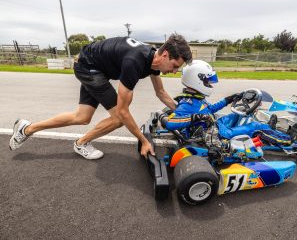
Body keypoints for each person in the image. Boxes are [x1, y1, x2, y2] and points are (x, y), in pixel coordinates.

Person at [9, 34, 192, 159]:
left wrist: (184, 112)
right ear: (166, 54)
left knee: (81, 117)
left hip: (93, 65)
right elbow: (122, 112)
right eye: (175, 65)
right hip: (89, 67)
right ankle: (81, 143)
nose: (175, 71)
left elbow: (160, 92)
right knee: (119, 118)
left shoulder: (153, 59)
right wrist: (143, 141)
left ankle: (27, 128)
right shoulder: (134, 62)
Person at [163, 60, 297, 145]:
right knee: (255, 126)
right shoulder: (187, 104)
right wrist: (195, 117)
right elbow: (170, 123)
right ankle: (287, 138)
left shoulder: (195, 98)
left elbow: (209, 110)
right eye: (208, 81)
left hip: (215, 125)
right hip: (216, 135)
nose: (210, 84)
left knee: (241, 115)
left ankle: (268, 129)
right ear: (197, 80)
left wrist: (228, 99)